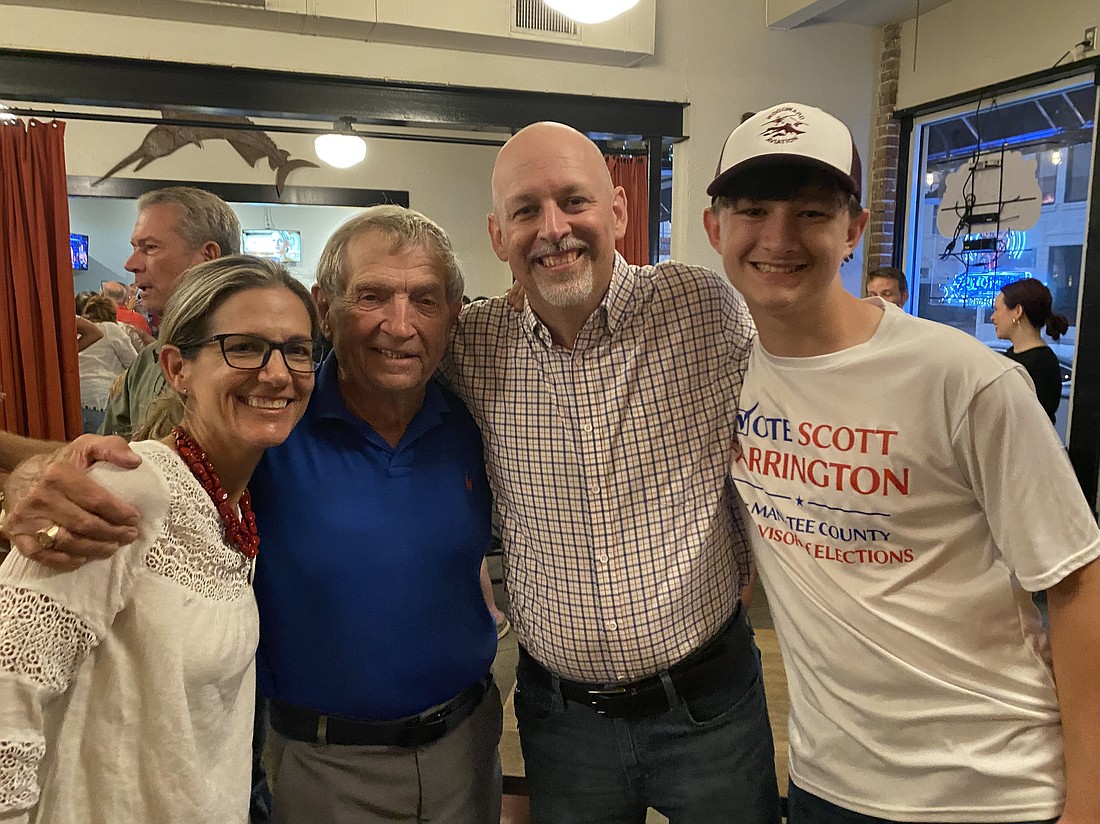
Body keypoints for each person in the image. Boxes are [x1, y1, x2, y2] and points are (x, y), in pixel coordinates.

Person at [2, 207, 503, 824]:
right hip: (322, 766)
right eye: (371, 295)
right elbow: (167, 463)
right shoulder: (275, 423)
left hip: (467, 745)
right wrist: (35, 475)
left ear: (453, 312)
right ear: (328, 307)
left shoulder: (476, 419)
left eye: (424, 300)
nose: (398, 325)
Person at [703, 101, 1100, 824]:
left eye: (813, 213)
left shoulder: (964, 378)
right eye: (753, 210)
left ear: (853, 230)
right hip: (829, 782)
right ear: (715, 229)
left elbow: (1075, 583)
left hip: (991, 790)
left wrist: (1092, 802)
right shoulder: (727, 373)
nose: (778, 238)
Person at [444, 121, 780, 824]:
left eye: (575, 201)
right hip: (563, 721)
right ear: (498, 234)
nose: (554, 229)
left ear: (619, 212)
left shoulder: (705, 310)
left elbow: (808, 367)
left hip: (709, 702)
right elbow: (370, 384)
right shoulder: (471, 346)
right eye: (526, 211)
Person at [0, 255, 319, 823]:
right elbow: (9, 688)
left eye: (297, 349)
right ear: (176, 368)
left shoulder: (233, 497)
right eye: (243, 346)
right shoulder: (126, 487)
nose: (277, 373)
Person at [991, 277, 1069, 424]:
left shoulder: (1041, 364)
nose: (992, 317)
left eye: (997, 309)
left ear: (1017, 311)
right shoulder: (1011, 355)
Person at [77, 295, 139, 433]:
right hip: (99, 397)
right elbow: (135, 363)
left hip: (77, 394)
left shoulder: (78, 333)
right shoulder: (111, 329)